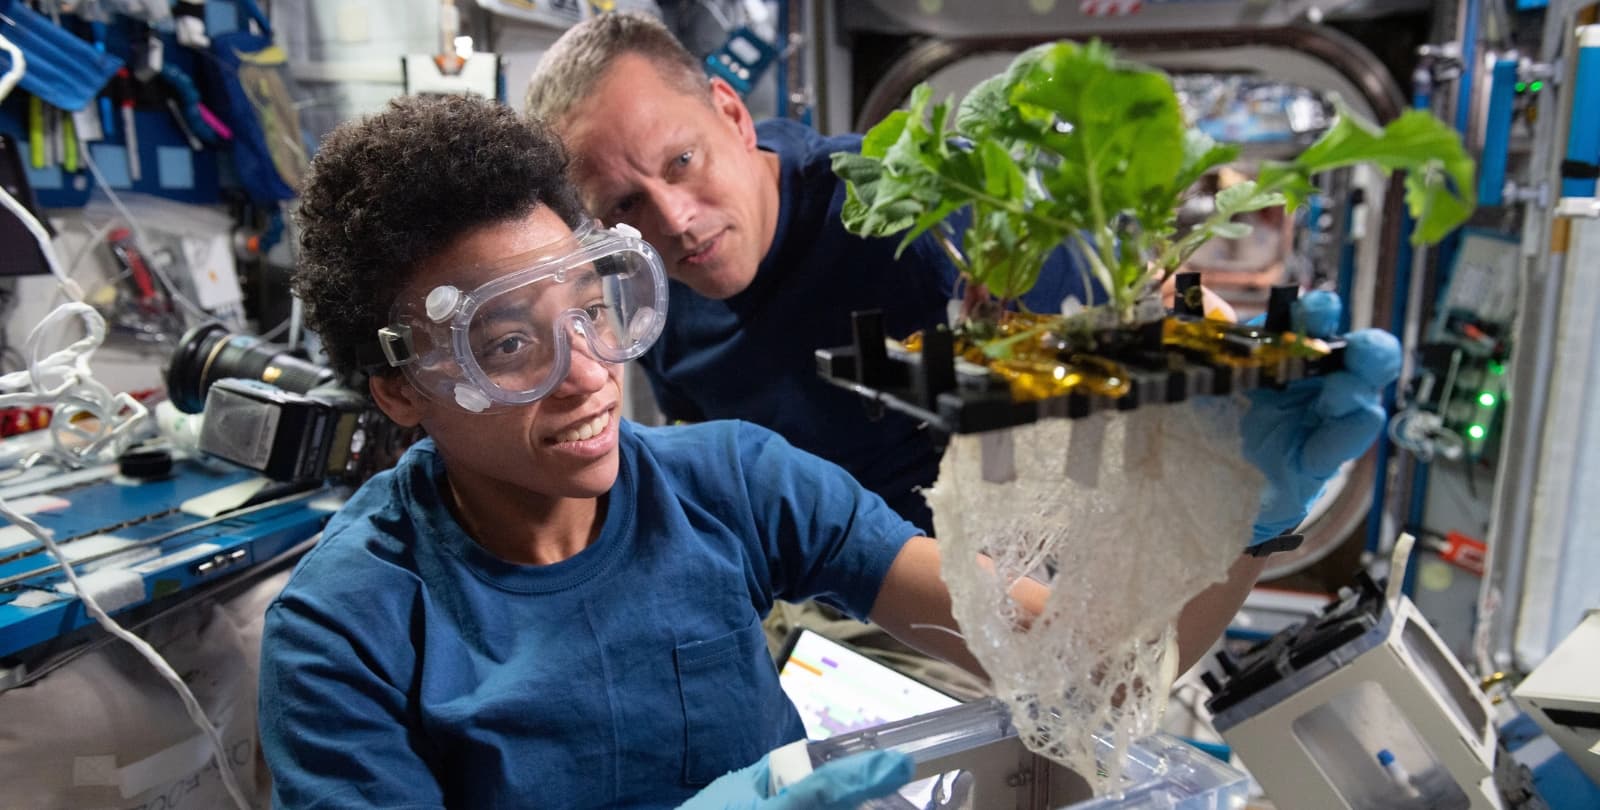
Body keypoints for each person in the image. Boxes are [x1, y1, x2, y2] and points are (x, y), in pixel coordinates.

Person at [257, 92, 1395, 809]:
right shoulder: (343, 630)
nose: (589, 371)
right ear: (401, 389)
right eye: (511, 343)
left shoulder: (732, 484)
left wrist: (1237, 519)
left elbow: (1079, 675)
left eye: (596, 308)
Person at [526, 13, 1099, 534]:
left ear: (732, 114)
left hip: (994, 569)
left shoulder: (913, 216)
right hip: (809, 592)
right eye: (626, 205)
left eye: (682, 161)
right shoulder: (642, 296)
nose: (675, 221)